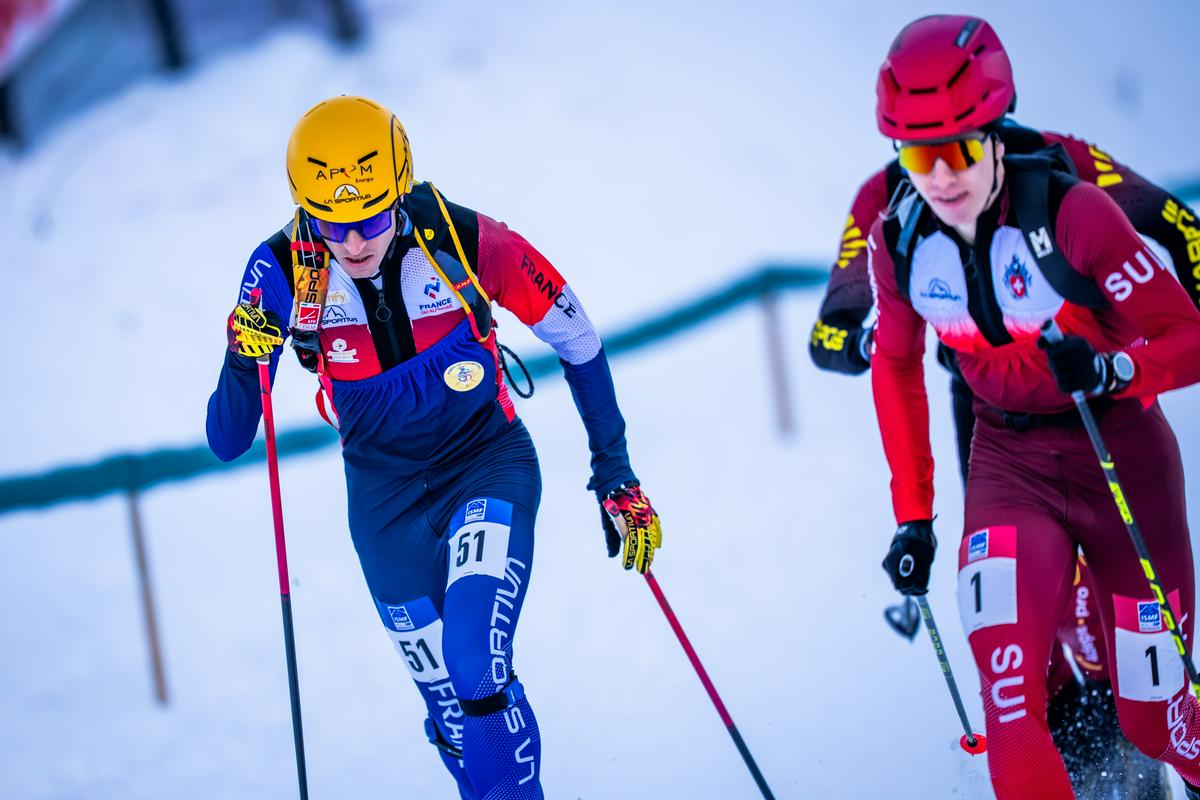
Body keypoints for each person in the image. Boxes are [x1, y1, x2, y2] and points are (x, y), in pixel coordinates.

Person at [205, 95, 662, 799]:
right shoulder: (280, 273)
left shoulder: (462, 238)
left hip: (485, 462)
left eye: (373, 219)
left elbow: (579, 337)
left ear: (402, 188)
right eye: (331, 224)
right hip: (383, 508)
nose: (354, 244)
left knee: (475, 659)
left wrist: (615, 470)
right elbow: (229, 440)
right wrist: (243, 352)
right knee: (451, 708)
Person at [810, 14, 1200, 798]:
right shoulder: (890, 219)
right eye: (918, 156)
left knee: (1155, 717)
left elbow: (1181, 260)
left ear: (995, 129)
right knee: (1012, 693)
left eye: (957, 150)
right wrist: (913, 516)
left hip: (1110, 434)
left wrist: (1118, 365)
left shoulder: (1071, 186)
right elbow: (859, 344)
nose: (941, 177)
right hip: (997, 436)